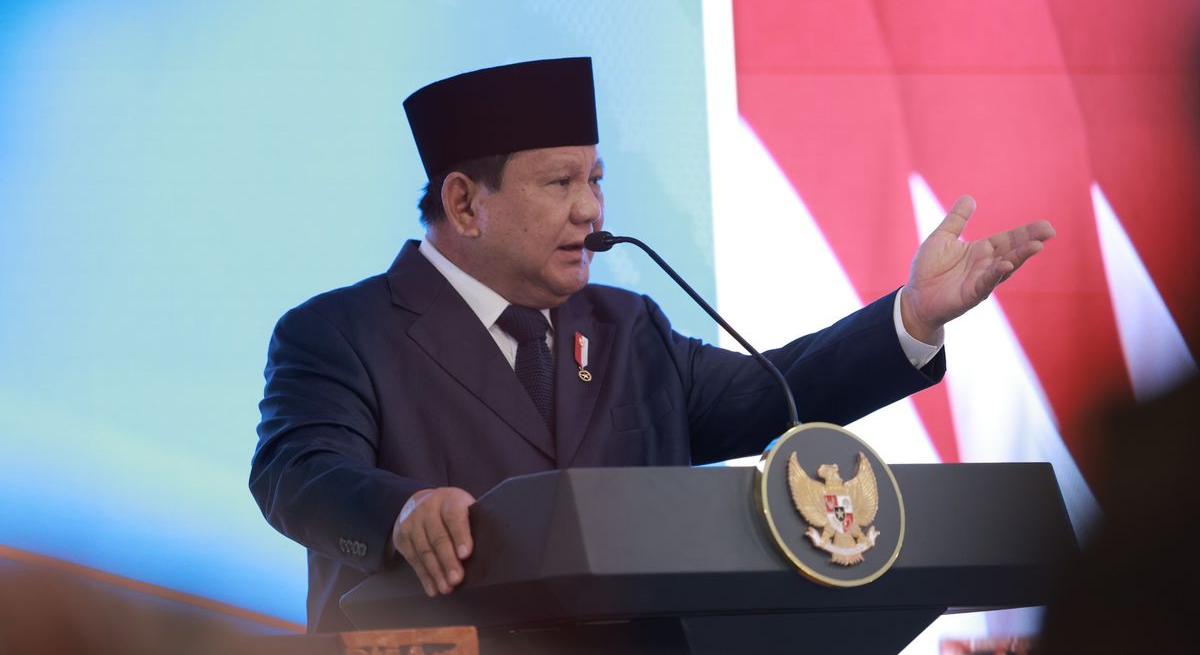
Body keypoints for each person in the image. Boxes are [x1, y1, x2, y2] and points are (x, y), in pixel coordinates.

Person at [250, 57, 1055, 633]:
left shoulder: (627, 328)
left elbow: (776, 392)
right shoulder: (341, 332)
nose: (591, 210)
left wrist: (912, 316)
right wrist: (402, 512)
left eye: (596, 179)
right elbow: (296, 470)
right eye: (561, 183)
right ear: (465, 204)